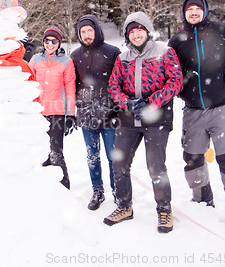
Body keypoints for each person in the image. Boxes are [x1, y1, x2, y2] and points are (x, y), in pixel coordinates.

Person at [168, 0, 225, 233]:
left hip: (223, 108)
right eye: (189, 9)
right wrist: (182, 89)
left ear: (204, 10)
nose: (193, 12)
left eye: (197, 8)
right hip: (193, 111)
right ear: (184, 13)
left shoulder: (224, 32)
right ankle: (203, 199)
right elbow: (170, 75)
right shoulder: (177, 41)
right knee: (193, 159)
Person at [105, 12, 183, 233]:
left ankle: (164, 209)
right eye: (132, 31)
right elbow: (114, 87)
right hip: (129, 118)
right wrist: (128, 103)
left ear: (147, 31)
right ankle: (124, 206)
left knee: (155, 166)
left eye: (140, 30)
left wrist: (151, 102)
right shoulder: (122, 58)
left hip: (157, 117)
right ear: (127, 35)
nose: (136, 34)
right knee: (119, 164)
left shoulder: (164, 52)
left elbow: (176, 82)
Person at [70, 14, 121, 210]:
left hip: (108, 115)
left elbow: (120, 83)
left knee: (112, 157)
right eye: (82, 32)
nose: (86, 35)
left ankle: (117, 191)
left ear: (97, 30)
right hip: (86, 116)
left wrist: (118, 112)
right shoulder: (74, 56)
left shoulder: (112, 52)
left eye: (89, 30)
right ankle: (97, 190)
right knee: (92, 156)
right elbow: (72, 85)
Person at [29, 26, 76, 189]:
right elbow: (28, 83)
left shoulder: (66, 61)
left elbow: (70, 88)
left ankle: (64, 186)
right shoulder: (35, 59)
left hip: (56, 112)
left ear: (59, 43)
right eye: (47, 41)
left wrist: (70, 114)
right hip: (37, 113)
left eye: (54, 41)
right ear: (43, 42)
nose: (50, 44)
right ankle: (45, 188)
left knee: (56, 152)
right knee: (40, 152)